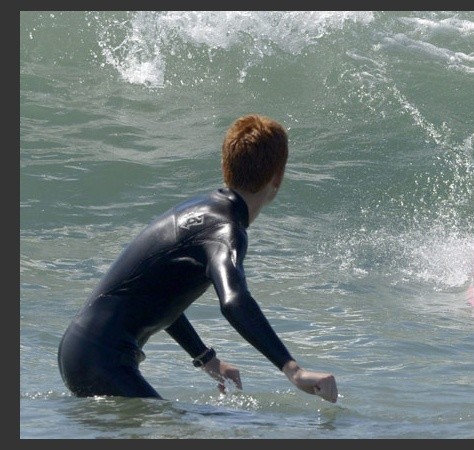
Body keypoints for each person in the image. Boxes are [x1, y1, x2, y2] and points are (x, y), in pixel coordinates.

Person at [57, 114, 338, 403]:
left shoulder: (202, 210)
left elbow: (159, 294)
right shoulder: (225, 229)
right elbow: (234, 301)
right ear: (277, 177)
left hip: (84, 350)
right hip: (102, 359)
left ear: (225, 165)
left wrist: (206, 358)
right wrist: (293, 370)